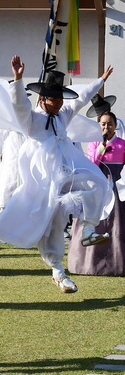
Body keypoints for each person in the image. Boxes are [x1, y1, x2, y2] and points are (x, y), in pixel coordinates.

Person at [0, 56, 114, 293]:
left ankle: (88, 229)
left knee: (95, 183)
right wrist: (17, 79)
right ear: (42, 99)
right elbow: (19, 105)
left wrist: (100, 80)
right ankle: (58, 272)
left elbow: (81, 99)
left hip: (65, 174)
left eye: (60, 99)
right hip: (42, 183)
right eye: (53, 99)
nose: (58, 103)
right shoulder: (32, 121)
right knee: (53, 225)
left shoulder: (61, 116)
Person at [68, 111, 125, 276]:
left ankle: (116, 264)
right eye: (103, 124)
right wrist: (100, 149)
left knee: (117, 223)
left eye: (110, 124)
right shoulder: (93, 143)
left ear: (115, 125)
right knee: (92, 220)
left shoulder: (122, 143)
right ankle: (89, 264)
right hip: (96, 186)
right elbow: (92, 164)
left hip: (115, 186)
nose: (107, 127)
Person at [0, 129, 24, 218]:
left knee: (23, 174)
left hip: (24, 141)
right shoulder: (8, 118)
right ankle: (4, 206)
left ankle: (23, 206)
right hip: (11, 146)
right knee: (9, 175)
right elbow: (1, 127)